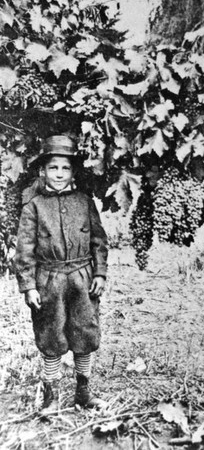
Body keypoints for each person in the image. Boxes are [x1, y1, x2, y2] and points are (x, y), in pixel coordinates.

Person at [14, 135, 108, 415]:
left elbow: (99, 242)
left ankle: (83, 393)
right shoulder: (33, 206)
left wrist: (100, 273)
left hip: (82, 278)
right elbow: (24, 250)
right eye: (53, 168)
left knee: (85, 333)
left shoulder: (84, 202)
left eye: (65, 168)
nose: (59, 173)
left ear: (73, 172)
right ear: (42, 171)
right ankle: (51, 397)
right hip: (49, 280)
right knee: (51, 336)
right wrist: (29, 286)